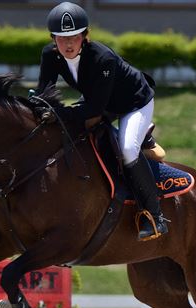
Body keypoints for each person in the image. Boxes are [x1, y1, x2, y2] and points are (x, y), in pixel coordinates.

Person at [35, 1, 167, 241]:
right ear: (52, 38)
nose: (67, 44)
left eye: (74, 37)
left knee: (127, 150)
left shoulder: (102, 58)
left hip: (134, 103)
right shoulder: (50, 55)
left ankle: (154, 216)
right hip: (99, 99)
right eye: (61, 38)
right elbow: (44, 91)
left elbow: (95, 108)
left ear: (85, 35)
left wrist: (61, 113)